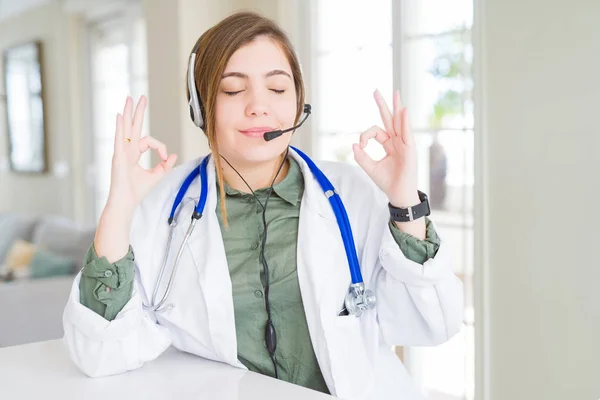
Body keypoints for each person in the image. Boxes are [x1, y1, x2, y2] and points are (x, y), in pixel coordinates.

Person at [62, 11, 463, 400]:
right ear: (201, 107)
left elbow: (431, 323)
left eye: (277, 88)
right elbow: (100, 353)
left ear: (297, 102)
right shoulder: (163, 209)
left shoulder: (350, 195)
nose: (258, 106)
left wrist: (405, 201)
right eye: (233, 90)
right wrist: (119, 205)